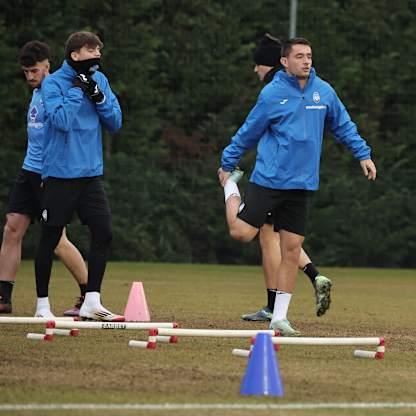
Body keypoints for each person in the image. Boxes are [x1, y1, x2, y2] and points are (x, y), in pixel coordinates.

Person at [218, 37, 376, 336]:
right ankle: (231, 190)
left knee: (290, 250)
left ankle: (279, 318)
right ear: (285, 62)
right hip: (268, 180)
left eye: (309, 55)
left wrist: (363, 154)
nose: (307, 61)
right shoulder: (272, 94)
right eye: (300, 56)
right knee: (241, 233)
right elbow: (248, 131)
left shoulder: (324, 91)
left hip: (301, 185)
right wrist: (228, 164)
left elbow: (344, 125)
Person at [240, 34, 332, 322]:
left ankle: (273, 306)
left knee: (269, 239)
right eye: (300, 56)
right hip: (294, 178)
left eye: (258, 65)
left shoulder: (274, 88)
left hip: (275, 178)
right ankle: (313, 277)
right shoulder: (294, 86)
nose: (255, 70)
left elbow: (254, 130)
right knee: (283, 240)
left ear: (271, 65)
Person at [34, 31, 123, 321]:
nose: (97, 54)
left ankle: (92, 301)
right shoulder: (54, 83)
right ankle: (42, 304)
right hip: (59, 175)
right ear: (74, 55)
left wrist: (98, 97)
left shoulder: (101, 80)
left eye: (99, 49)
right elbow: (60, 122)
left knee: (104, 232)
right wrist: (76, 90)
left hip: (90, 174)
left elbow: (115, 122)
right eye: (90, 50)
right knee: (50, 237)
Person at [0, 40, 88, 316]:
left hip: (50, 174)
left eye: (34, 71)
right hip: (29, 170)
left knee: (57, 241)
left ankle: (89, 295)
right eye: (25, 72)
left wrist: (51, 173)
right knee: (12, 228)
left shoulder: (57, 91)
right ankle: (3, 298)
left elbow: (65, 131)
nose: (29, 77)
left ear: (48, 66)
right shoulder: (36, 93)